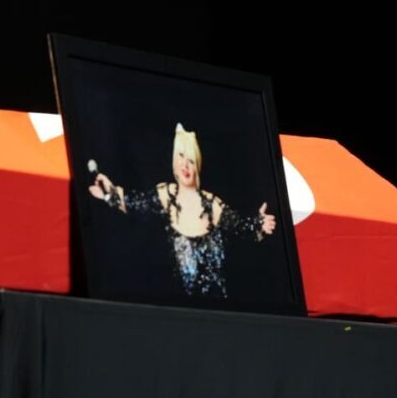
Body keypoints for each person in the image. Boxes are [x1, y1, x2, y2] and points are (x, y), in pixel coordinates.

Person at [89, 122, 278, 297]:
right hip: (176, 308)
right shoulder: (166, 195)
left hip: (217, 307)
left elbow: (243, 227)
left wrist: (260, 224)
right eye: (181, 156)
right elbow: (135, 204)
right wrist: (110, 194)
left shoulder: (211, 204)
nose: (185, 165)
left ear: (197, 165)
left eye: (191, 160)